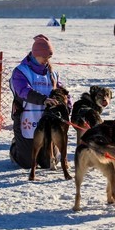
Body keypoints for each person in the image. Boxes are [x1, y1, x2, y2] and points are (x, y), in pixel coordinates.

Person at [9, 34, 72, 168]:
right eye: (44, 57)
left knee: (46, 163)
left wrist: (68, 106)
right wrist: (43, 99)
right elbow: (23, 91)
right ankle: (16, 147)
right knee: (27, 163)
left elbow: (62, 92)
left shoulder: (52, 74)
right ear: (35, 54)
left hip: (47, 120)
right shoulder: (21, 71)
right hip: (26, 119)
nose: (46, 60)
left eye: (49, 57)